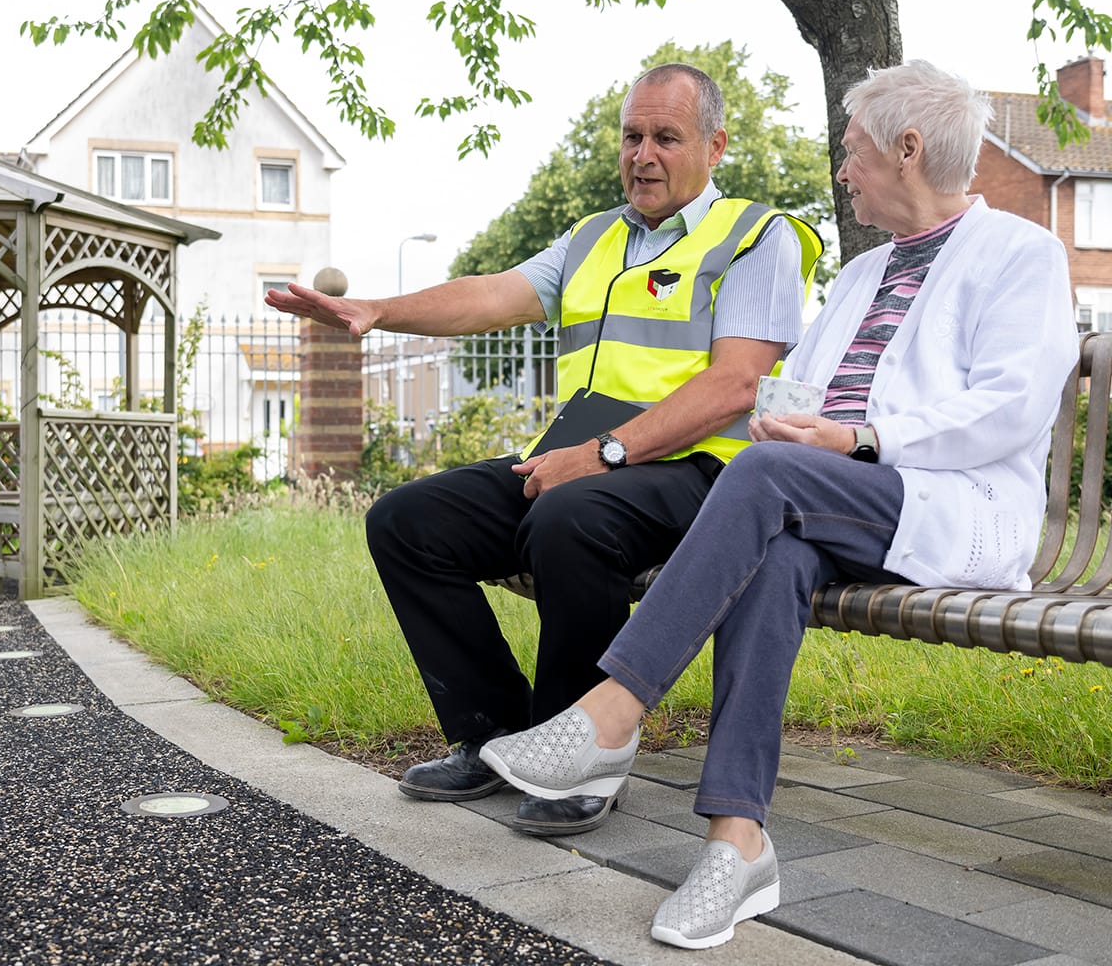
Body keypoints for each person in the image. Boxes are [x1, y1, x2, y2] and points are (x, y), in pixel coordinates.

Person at [476, 59, 1078, 948]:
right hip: (829, 506)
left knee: (759, 486)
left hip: (951, 507)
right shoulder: (862, 274)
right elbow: (803, 392)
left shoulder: (1022, 254)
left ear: (907, 150)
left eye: (854, 151)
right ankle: (736, 844)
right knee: (775, 553)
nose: (843, 169)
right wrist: (789, 426)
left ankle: (609, 715)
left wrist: (858, 440)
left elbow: (1011, 405)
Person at [266, 64, 823, 836]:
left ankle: (583, 754)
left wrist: (607, 453)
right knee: (407, 521)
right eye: (632, 137)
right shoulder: (593, 237)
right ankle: (497, 735)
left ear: (715, 146)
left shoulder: (758, 238)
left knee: (571, 515)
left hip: (703, 475)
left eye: (666, 137)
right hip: (592, 463)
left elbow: (735, 385)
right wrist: (377, 309)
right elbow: (489, 292)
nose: (644, 154)